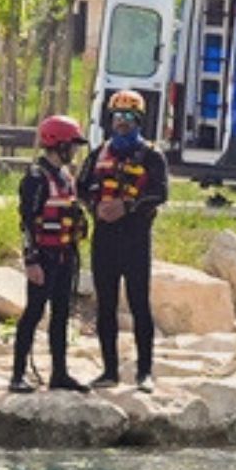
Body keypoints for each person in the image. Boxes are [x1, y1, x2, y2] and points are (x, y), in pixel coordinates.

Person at [79, 88, 172, 390]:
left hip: (135, 238)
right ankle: (109, 371)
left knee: (138, 304)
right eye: (118, 117)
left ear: (139, 121)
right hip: (105, 238)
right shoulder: (98, 153)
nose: (122, 123)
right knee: (105, 305)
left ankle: (145, 372)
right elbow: (82, 188)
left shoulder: (151, 155)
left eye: (129, 118)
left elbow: (160, 193)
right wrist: (96, 207)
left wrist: (128, 207)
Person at [9, 115, 89, 392]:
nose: (75, 150)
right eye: (72, 145)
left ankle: (60, 374)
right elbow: (27, 222)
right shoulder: (35, 178)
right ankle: (18, 374)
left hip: (65, 255)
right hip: (43, 257)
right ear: (58, 145)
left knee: (61, 314)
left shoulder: (66, 177)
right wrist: (31, 260)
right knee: (33, 313)